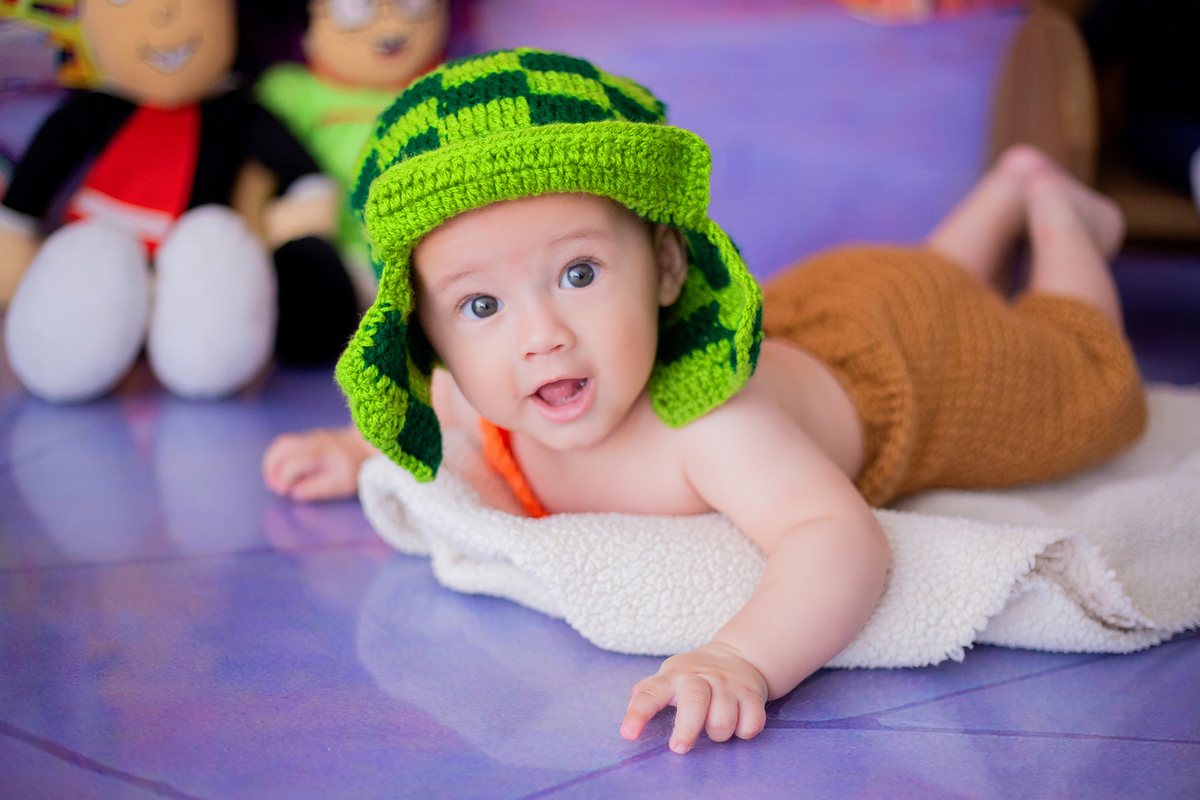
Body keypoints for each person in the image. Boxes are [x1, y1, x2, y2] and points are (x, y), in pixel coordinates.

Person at [262, 50, 1146, 755]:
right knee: (923, 271)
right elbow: (449, 409)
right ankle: (998, 195)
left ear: (668, 266)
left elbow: (836, 536)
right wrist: (355, 450)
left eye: (578, 272)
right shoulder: (485, 388)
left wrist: (740, 657)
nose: (540, 337)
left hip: (910, 360)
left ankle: (1059, 216)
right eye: (481, 306)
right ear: (431, 341)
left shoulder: (709, 419)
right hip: (821, 303)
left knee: (1083, 384)